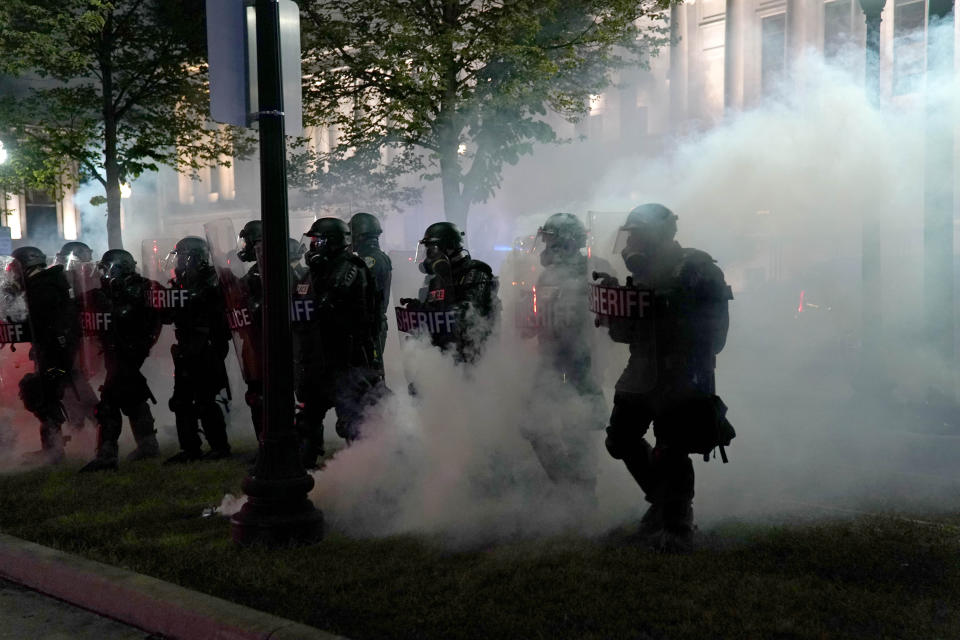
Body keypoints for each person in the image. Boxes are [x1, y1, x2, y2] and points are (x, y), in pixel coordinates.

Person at [601, 203, 734, 552]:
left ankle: (677, 523)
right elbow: (627, 333)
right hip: (643, 367)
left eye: (641, 235)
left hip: (682, 370)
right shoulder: (644, 275)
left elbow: (716, 330)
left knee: (671, 448)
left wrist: (677, 322)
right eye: (632, 237)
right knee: (620, 439)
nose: (634, 245)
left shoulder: (695, 267)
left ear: (662, 235)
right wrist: (615, 308)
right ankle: (661, 503)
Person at [521, 213, 611, 501]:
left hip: (581, 363)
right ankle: (568, 486)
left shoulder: (593, 270)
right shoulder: (546, 275)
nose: (547, 247)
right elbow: (538, 321)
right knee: (532, 425)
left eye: (552, 240)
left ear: (567, 242)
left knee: (579, 429)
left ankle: (584, 495)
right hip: (549, 362)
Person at [293, 218, 381, 468]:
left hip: (345, 357)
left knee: (351, 419)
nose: (312, 248)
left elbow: (327, 301)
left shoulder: (351, 266)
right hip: (316, 356)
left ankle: (361, 470)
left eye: (317, 241)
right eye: (311, 241)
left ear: (332, 243)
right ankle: (304, 466)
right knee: (307, 417)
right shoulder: (312, 272)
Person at [80, 250, 163, 472]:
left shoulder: (142, 288)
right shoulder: (111, 291)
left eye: (106, 270)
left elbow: (133, 315)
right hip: (117, 354)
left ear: (118, 268)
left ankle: (107, 455)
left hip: (129, 352)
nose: (103, 275)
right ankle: (148, 445)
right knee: (132, 396)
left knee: (108, 402)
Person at [163, 236, 233, 464]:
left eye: (182, 256)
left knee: (205, 399)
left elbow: (209, 303)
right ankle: (190, 448)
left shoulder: (212, 277)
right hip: (185, 346)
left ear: (194, 257)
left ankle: (219, 447)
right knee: (181, 401)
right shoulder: (180, 282)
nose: (178, 261)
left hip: (207, 347)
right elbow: (171, 313)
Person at [11, 246, 79, 464]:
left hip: (55, 354)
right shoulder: (44, 284)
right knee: (43, 392)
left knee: (41, 393)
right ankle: (52, 447)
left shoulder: (42, 288)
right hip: (52, 351)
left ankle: (54, 451)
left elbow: (41, 322)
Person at [405, 222, 499, 363]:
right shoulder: (436, 280)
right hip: (444, 356)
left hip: (472, 358)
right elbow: (436, 314)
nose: (428, 256)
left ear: (447, 248)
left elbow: (466, 317)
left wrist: (446, 277)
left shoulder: (476, 273)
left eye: (431, 249)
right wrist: (419, 309)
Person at [56, 241, 100, 433]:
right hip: (71, 339)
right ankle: (83, 423)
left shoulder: (86, 278)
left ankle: (94, 421)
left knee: (74, 381)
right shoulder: (64, 280)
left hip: (77, 341)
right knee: (69, 383)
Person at [349, 212, 392, 368]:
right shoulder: (374, 256)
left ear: (360, 236)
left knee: (369, 375)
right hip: (371, 325)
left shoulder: (371, 259)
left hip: (371, 327)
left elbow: (363, 291)